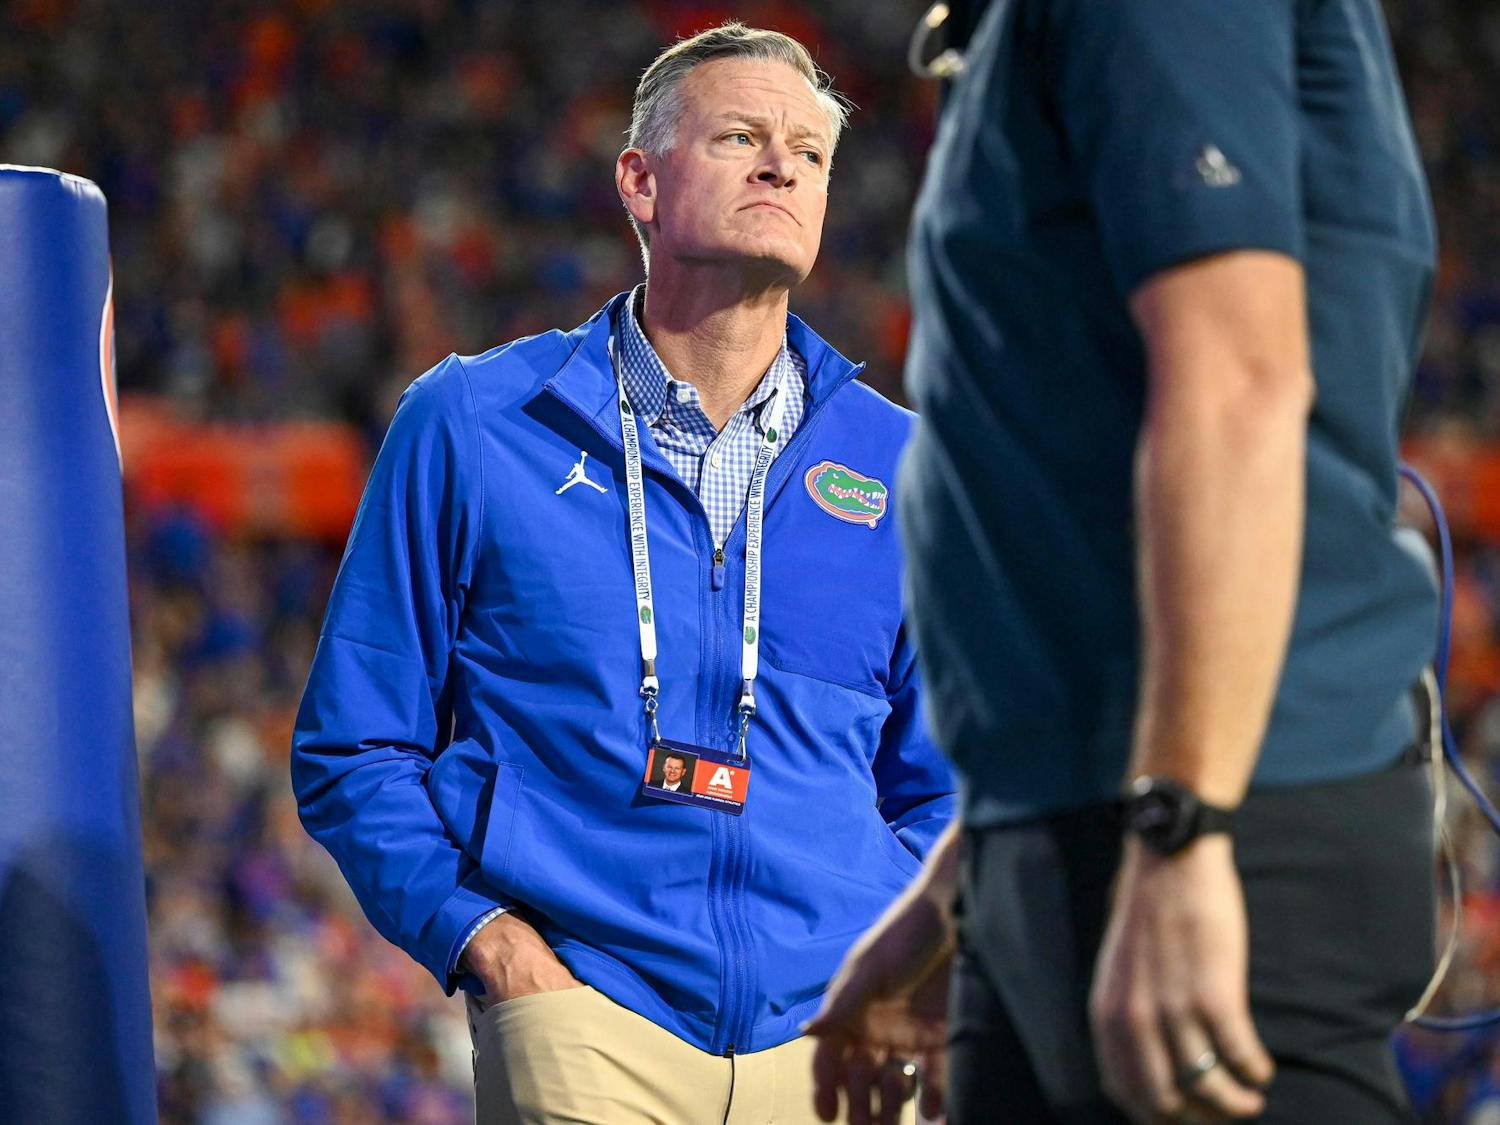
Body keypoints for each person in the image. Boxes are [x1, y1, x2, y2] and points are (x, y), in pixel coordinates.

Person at [290, 22, 953, 1125]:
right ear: (640, 183)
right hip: (584, 1015)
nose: (784, 164)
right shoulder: (473, 423)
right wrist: (486, 945)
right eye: (742, 135)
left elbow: (949, 781)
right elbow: (354, 744)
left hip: (844, 1034)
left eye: (811, 151)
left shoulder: (909, 470)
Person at [808, 2, 1439, 1123]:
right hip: (1074, 819)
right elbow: (1077, 503)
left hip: (1223, 813)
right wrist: (961, 889)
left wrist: (1182, 825)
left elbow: (1239, 381)